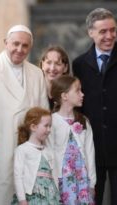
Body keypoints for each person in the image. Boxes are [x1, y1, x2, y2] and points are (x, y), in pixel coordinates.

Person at [72, 8, 117, 205]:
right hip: (91, 147)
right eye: (103, 31)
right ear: (90, 32)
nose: (110, 36)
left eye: (113, 30)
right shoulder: (79, 64)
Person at [0, 25, 49, 205]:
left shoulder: (36, 73)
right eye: (15, 44)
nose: (20, 49)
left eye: (25, 46)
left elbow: (43, 111)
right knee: (0, 191)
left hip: (28, 145)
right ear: (5, 43)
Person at [48, 75, 95, 204]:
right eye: (77, 90)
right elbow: (49, 153)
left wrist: (92, 182)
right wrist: (52, 181)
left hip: (82, 179)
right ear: (64, 96)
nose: (82, 94)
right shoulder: (51, 122)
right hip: (61, 179)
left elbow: (90, 153)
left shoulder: (84, 121)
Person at [11, 107, 59, 205]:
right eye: (46, 126)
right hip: (31, 197)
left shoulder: (49, 151)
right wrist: (22, 199)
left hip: (49, 197)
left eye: (50, 126)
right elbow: (18, 176)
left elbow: (55, 175)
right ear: (33, 127)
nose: (49, 130)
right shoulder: (22, 149)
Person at [39, 46, 70, 110]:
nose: (52, 68)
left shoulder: (70, 95)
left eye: (57, 64)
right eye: (48, 63)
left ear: (65, 68)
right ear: (42, 65)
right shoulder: (33, 90)